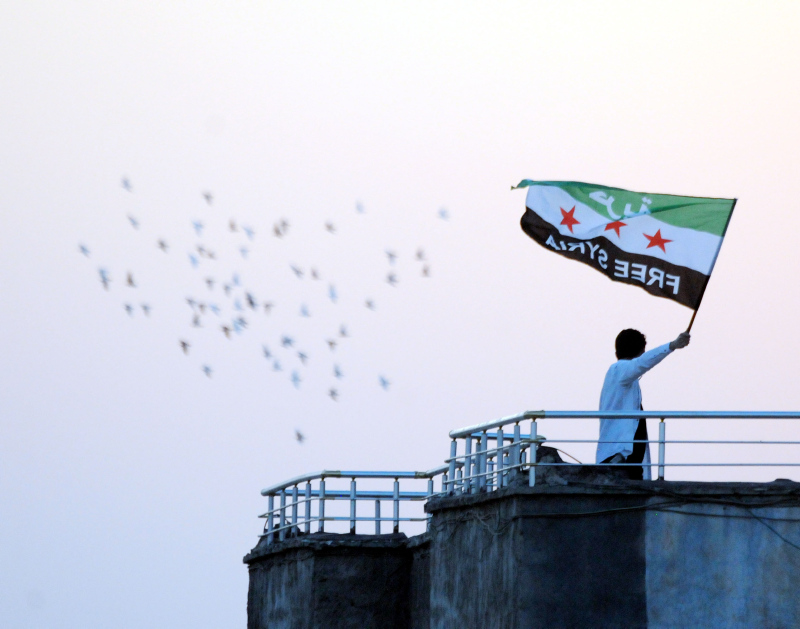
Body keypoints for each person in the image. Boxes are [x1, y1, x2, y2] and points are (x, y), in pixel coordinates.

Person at [596, 329, 691, 480]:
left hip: (624, 460)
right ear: (640, 351)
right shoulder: (619, 370)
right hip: (618, 459)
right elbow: (641, 364)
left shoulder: (623, 378)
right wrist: (672, 345)